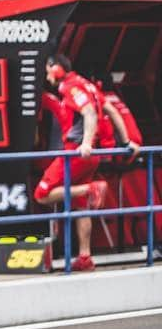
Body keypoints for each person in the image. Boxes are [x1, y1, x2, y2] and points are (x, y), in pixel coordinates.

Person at [33, 54, 118, 271]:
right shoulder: (85, 85)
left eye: (47, 70)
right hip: (90, 155)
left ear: (56, 68)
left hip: (76, 153)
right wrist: (128, 141)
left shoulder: (68, 87)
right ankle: (85, 257)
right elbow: (109, 109)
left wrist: (86, 143)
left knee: (41, 195)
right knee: (81, 208)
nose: (47, 75)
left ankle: (90, 189)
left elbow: (89, 113)